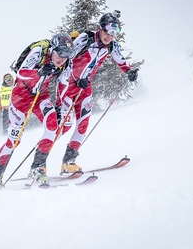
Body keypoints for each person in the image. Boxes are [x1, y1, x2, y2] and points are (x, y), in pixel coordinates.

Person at [0, 33, 75, 188]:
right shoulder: (39, 51)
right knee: (14, 141)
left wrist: (59, 107)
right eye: (60, 53)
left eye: (67, 55)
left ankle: (37, 167)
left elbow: (63, 85)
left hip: (41, 95)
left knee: (53, 127)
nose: (62, 58)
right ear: (53, 49)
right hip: (20, 96)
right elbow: (21, 73)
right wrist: (39, 72)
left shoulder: (66, 64)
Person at [57, 10, 139, 174]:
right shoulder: (86, 38)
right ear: (100, 28)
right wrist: (73, 76)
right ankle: (39, 161)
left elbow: (121, 61)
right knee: (64, 126)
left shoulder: (112, 45)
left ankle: (69, 162)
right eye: (108, 31)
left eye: (114, 33)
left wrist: (129, 71)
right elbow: (68, 56)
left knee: (83, 124)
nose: (110, 36)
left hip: (85, 87)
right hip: (68, 85)